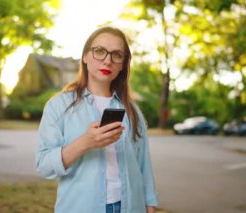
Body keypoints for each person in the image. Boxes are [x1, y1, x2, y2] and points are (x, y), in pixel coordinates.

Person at [36, 26, 158, 213]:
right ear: (85, 56)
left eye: (116, 55)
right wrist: (85, 142)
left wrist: (150, 203)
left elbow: (143, 165)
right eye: (99, 51)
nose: (107, 61)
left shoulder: (133, 111)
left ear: (123, 64)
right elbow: (44, 166)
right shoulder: (58, 106)